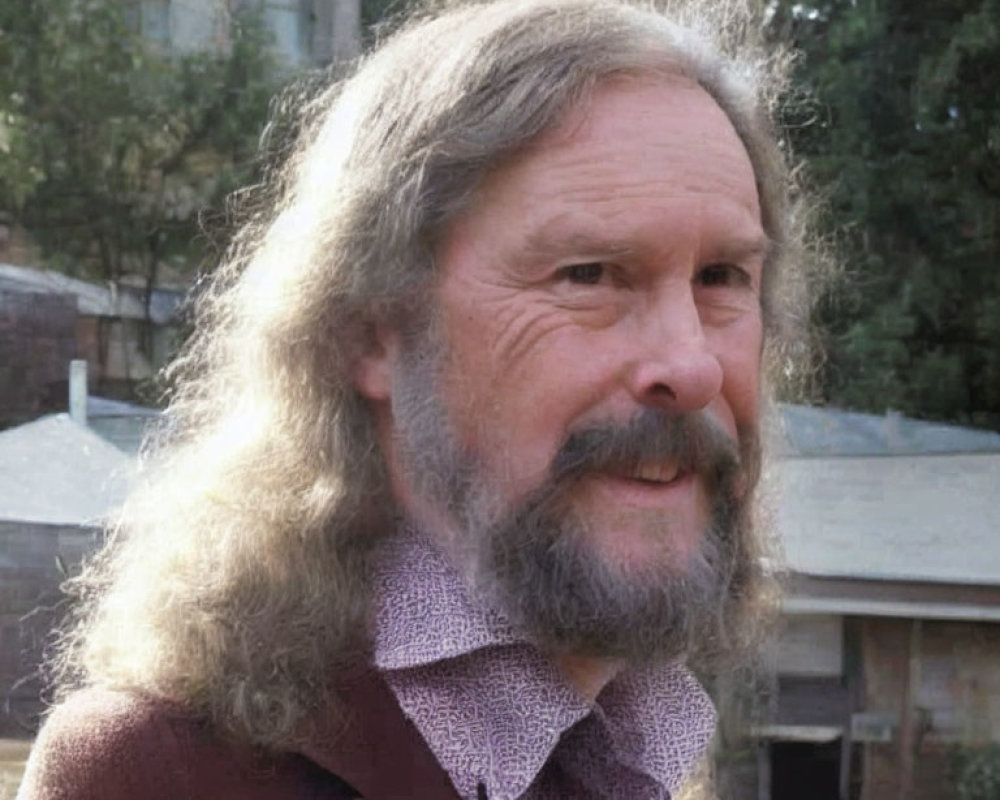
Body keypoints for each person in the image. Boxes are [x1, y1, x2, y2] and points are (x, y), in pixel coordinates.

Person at [18, 0, 813, 797]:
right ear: (371, 334)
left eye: (722, 279)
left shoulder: (633, 753)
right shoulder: (164, 773)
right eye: (588, 275)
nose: (693, 365)